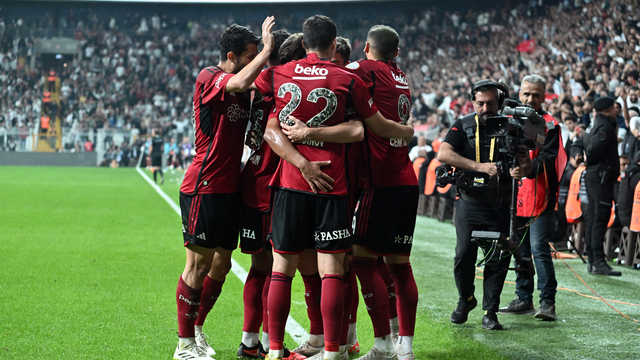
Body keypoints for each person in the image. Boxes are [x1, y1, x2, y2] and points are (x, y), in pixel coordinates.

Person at [253, 15, 414, 360]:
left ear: (303, 40)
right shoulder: (347, 77)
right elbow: (363, 130)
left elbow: (250, 96)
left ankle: (275, 350)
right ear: (333, 42)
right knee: (332, 271)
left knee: (281, 269)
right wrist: (406, 131)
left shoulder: (278, 73)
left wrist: (267, 49)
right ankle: (331, 352)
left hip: (291, 184)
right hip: (333, 186)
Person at [174, 17, 275, 360]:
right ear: (231, 56)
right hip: (204, 184)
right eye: (249, 55)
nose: (254, 60)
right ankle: (184, 344)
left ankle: (197, 329)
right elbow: (244, 79)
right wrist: (268, 50)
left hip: (229, 188)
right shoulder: (210, 77)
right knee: (197, 268)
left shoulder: (242, 86)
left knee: (220, 265)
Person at [346, 24, 419, 360]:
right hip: (406, 179)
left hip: (381, 178)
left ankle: (381, 345)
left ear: (365, 47)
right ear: (397, 53)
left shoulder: (364, 69)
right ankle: (405, 347)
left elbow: (334, 73)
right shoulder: (402, 77)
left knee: (361, 258)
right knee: (399, 265)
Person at [437, 80, 530, 331]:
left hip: (501, 204)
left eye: (490, 103)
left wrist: (522, 169)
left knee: (498, 257)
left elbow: (529, 165)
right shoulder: (463, 125)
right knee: (463, 255)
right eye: (480, 103)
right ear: (473, 103)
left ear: (499, 103)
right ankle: (466, 299)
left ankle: (490, 312)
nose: (485, 107)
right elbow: (443, 154)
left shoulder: (513, 127)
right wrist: (480, 167)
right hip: (469, 202)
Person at [498, 75, 566, 321]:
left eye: (536, 95)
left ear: (544, 96)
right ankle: (523, 298)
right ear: (520, 92)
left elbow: (549, 159)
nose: (530, 99)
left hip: (540, 195)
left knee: (539, 249)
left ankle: (547, 303)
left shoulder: (550, 124)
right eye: (526, 94)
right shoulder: (508, 119)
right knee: (520, 249)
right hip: (515, 196)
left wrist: (527, 169)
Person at [583, 96, 622, 276]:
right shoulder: (605, 126)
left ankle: (593, 259)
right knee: (600, 217)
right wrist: (589, 160)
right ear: (606, 110)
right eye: (614, 108)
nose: (616, 111)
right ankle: (598, 261)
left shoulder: (593, 124)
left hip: (594, 176)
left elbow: (579, 143)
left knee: (593, 216)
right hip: (601, 178)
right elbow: (592, 151)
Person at [618, 151, 640, 228]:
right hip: (632, 218)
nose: (626, 166)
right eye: (623, 164)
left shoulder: (628, 174)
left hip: (623, 215)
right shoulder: (637, 177)